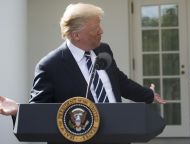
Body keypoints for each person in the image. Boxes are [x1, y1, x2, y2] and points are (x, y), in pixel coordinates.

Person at [0, 3, 165, 116]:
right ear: (76, 35)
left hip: (118, 134)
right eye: (95, 28)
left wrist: (148, 95)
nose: (102, 31)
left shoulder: (103, 50)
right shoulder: (50, 66)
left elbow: (119, 82)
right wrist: (19, 110)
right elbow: (40, 110)